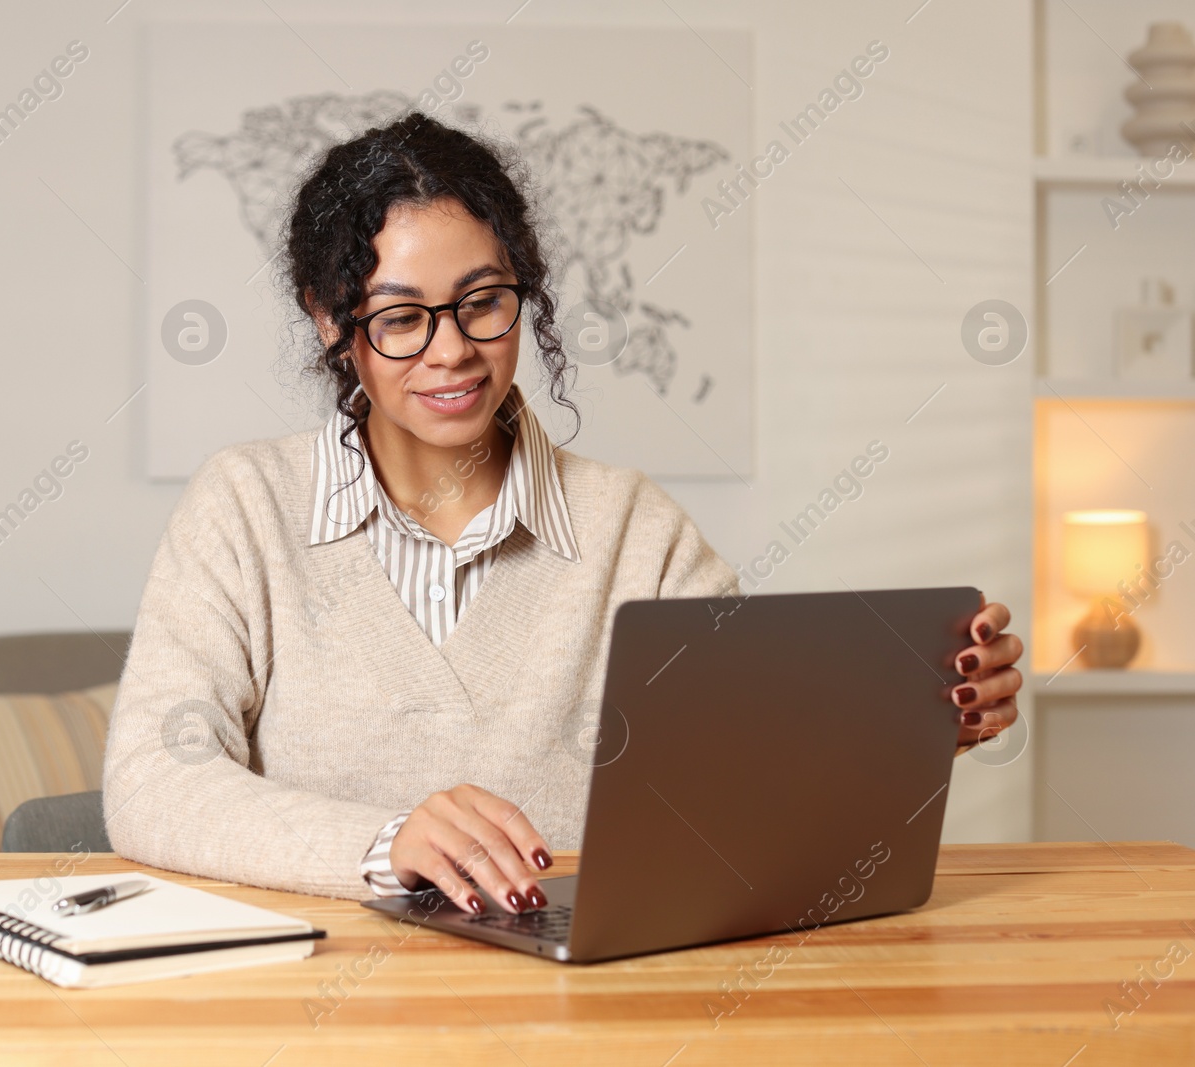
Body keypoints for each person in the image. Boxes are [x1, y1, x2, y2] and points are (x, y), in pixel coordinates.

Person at [103, 111, 1024, 917]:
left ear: (524, 291)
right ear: (327, 322)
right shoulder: (244, 508)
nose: (452, 350)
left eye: (482, 302)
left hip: (586, 997)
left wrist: (914, 718)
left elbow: (749, 779)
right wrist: (388, 844)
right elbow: (152, 780)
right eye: (399, 318)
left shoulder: (636, 529)